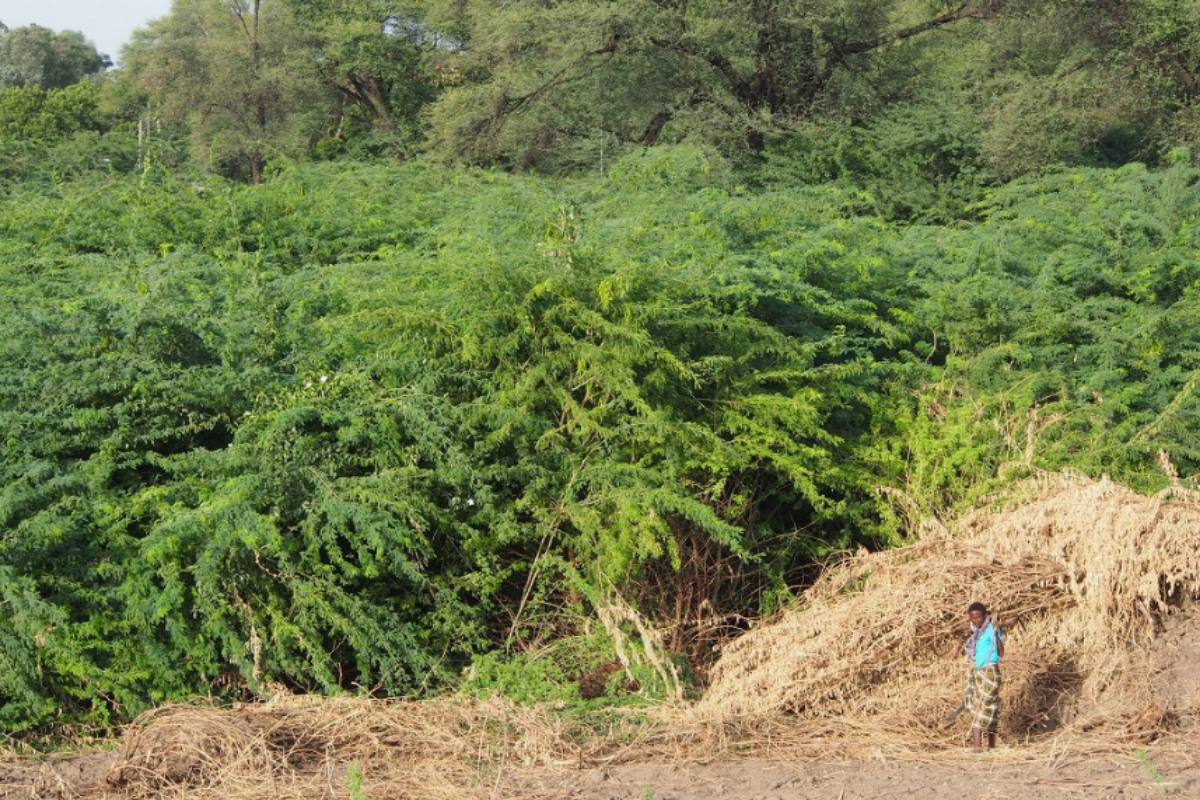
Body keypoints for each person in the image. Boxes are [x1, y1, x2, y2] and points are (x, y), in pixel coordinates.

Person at [963, 601, 1004, 751]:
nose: (976, 621)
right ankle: (991, 746)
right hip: (979, 671)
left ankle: (977, 747)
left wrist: (996, 633)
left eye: (979, 617)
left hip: (990, 671)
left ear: (985, 616)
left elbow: (1001, 652)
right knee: (983, 705)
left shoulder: (991, 630)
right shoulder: (977, 634)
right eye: (973, 618)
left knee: (984, 704)